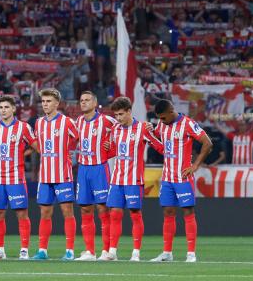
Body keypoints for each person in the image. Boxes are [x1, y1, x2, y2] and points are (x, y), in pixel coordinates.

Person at [150, 99, 212, 263]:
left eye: (163, 118)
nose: (161, 122)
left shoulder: (188, 124)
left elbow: (207, 142)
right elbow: (156, 135)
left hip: (183, 177)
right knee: (168, 212)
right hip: (167, 177)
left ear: (171, 112)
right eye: (159, 119)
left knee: (188, 212)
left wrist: (195, 165)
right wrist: (150, 129)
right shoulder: (162, 124)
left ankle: (191, 254)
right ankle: (167, 253)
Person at [103, 97, 164, 262]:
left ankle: (136, 253)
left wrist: (173, 153)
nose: (118, 118)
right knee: (114, 214)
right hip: (116, 180)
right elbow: (113, 151)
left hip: (134, 180)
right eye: (116, 115)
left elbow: (158, 146)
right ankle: (112, 252)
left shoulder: (143, 128)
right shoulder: (115, 128)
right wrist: (108, 149)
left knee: (135, 214)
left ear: (129, 111)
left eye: (121, 114)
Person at [0, 95, 36, 260]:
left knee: (21, 213)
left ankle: (24, 250)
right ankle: (0, 250)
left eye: (6, 107)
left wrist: (27, 154)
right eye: (1, 107)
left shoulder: (23, 127)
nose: (3, 110)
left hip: (16, 178)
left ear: (13, 109)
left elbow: (34, 144)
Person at [31, 88, 78, 261]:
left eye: (48, 101)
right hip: (45, 176)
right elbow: (39, 145)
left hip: (63, 174)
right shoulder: (39, 123)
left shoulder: (66, 122)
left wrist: (70, 151)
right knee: (45, 212)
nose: (45, 104)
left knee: (67, 211)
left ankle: (70, 251)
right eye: (43, 101)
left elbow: (78, 137)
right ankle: (42, 250)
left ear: (57, 103)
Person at [74, 91, 116, 261]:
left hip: (100, 169)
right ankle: (90, 251)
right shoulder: (78, 122)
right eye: (81, 100)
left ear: (95, 102)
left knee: (103, 208)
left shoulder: (107, 121)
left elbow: (126, 129)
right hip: (83, 170)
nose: (83, 103)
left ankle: (107, 251)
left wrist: (111, 147)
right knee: (85, 208)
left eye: (87, 100)